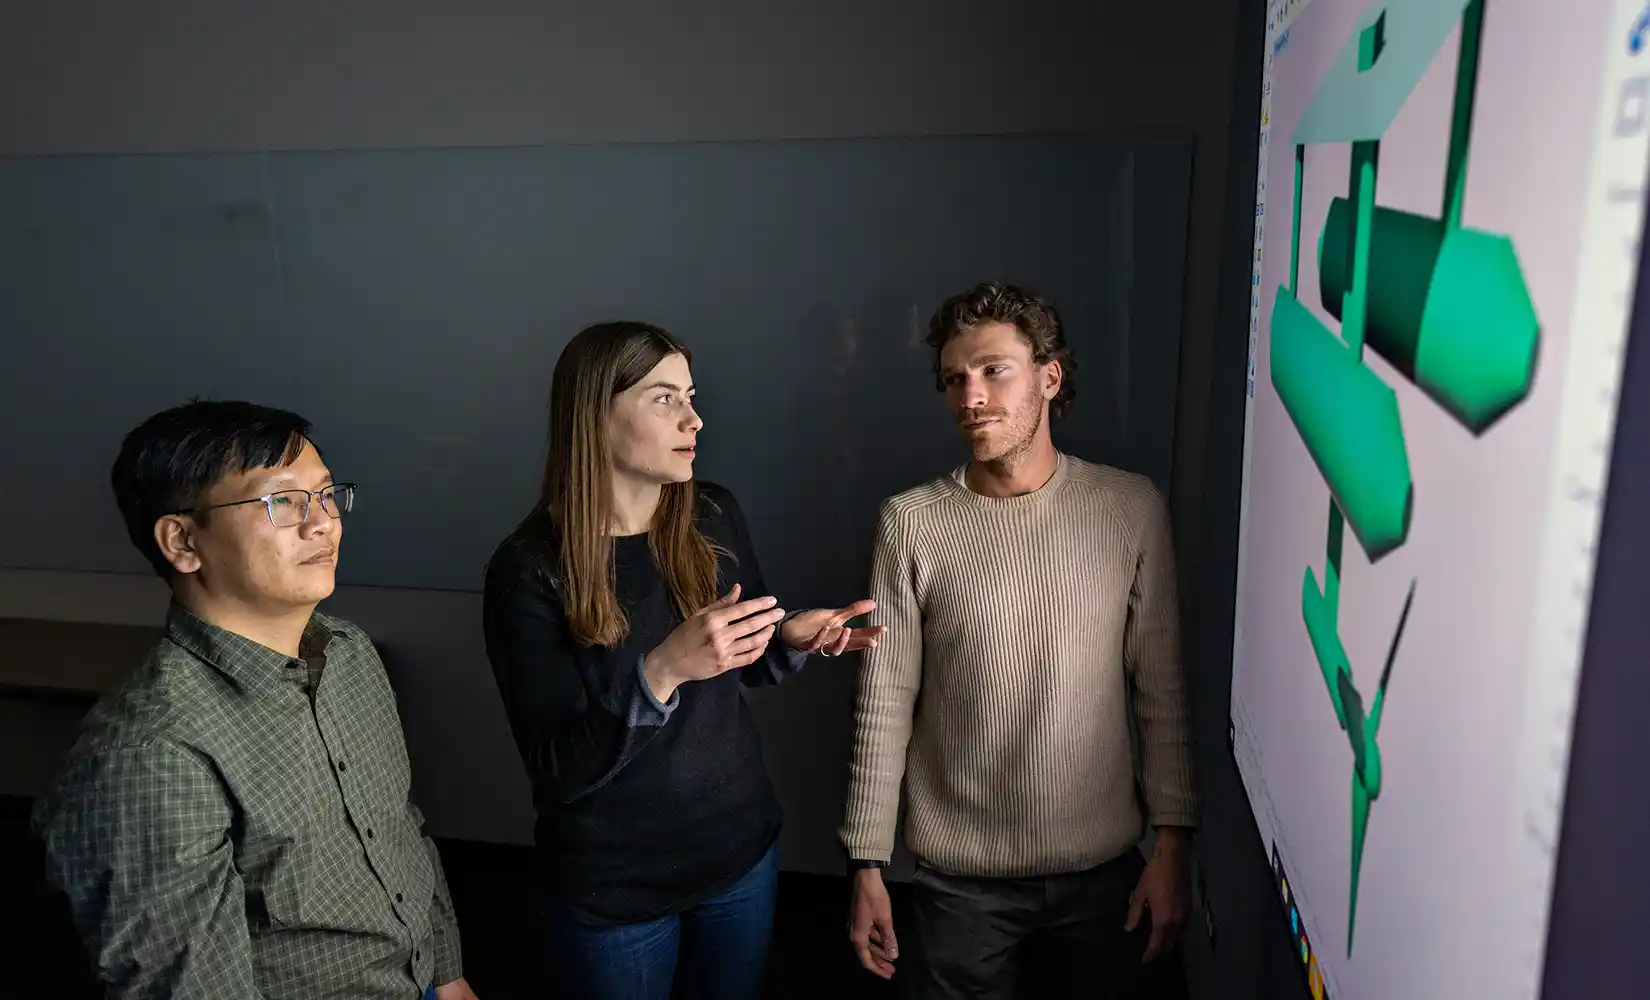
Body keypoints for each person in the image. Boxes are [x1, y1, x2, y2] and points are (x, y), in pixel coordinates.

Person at [481, 320, 885, 1000]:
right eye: (663, 398)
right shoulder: (528, 570)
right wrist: (661, 671)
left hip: (739, 857)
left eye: (691, 396)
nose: (694, 418)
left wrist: (786, 637)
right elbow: (557, 769)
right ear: (594, 415)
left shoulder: (713, 515)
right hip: (614, 892)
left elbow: (744, 663)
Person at [31, 400, 479, 1000]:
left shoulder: (349, 653)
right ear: (183, 541)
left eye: (325, 494)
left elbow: (400, 829)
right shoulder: (150, 754)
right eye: (281, 501)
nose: (322, 523)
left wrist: (446, 975)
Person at [839, 282, 1199, 999]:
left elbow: (1160, 685)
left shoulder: (1129, 507)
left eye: (993, 369)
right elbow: (884, 702)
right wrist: (866, 864)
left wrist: (1174, 844)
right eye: (953, 379)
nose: (970, 396)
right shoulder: (911, 523)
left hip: (1103, 873)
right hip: (959, 887)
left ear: (1049, 376)